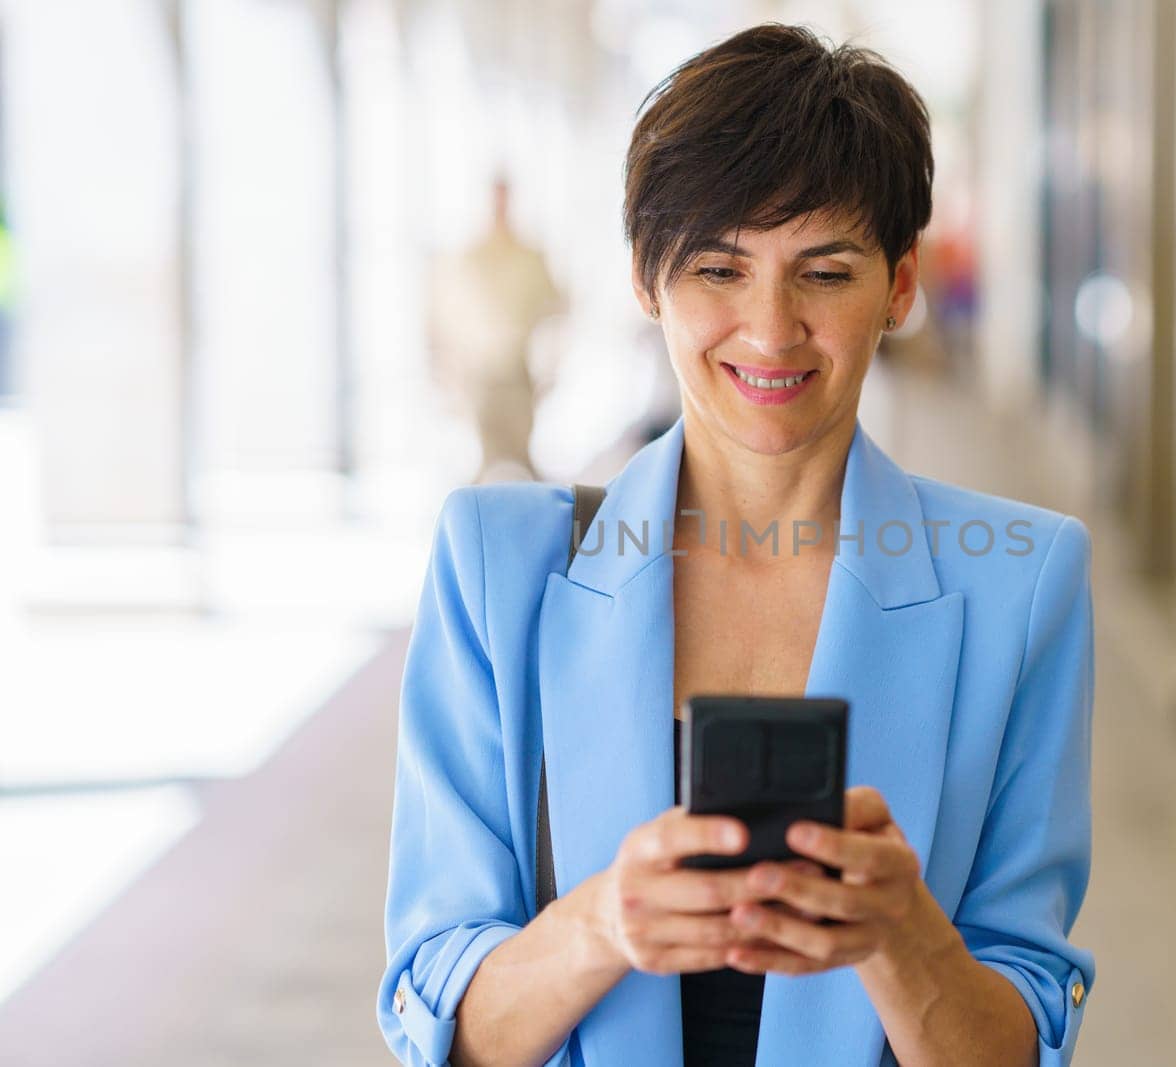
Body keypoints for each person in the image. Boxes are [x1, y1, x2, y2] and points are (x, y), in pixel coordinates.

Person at [380, 25, 1094, 1067]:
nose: (769, 330)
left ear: (899, 286)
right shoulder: (499, 567)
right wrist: (605, 923)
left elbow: (1018, 1041)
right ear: (644, 278)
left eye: (825, 272)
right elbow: (439, 1027)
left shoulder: (1019, 583)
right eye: (719, 267)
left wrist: (901, 934)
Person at [427, 174, 564, 483]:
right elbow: (444, 320)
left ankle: (540, 520)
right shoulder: (468, 258)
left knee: (520, 454)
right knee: (486, 458)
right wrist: (447, 373)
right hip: (480, 375)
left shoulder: (530, 257)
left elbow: (557, 313)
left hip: (519, 371)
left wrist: (551, 369)